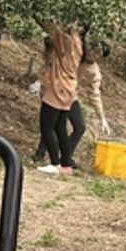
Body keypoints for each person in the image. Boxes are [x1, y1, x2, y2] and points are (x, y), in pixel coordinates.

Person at [34, 20, 82, 174]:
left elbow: (50, 27)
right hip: (68, 89)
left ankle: (55, 163)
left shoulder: (65, 41)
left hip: (57, 88)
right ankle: (66, 164)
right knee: (60, 127)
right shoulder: (77, 43)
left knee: (47, 126)